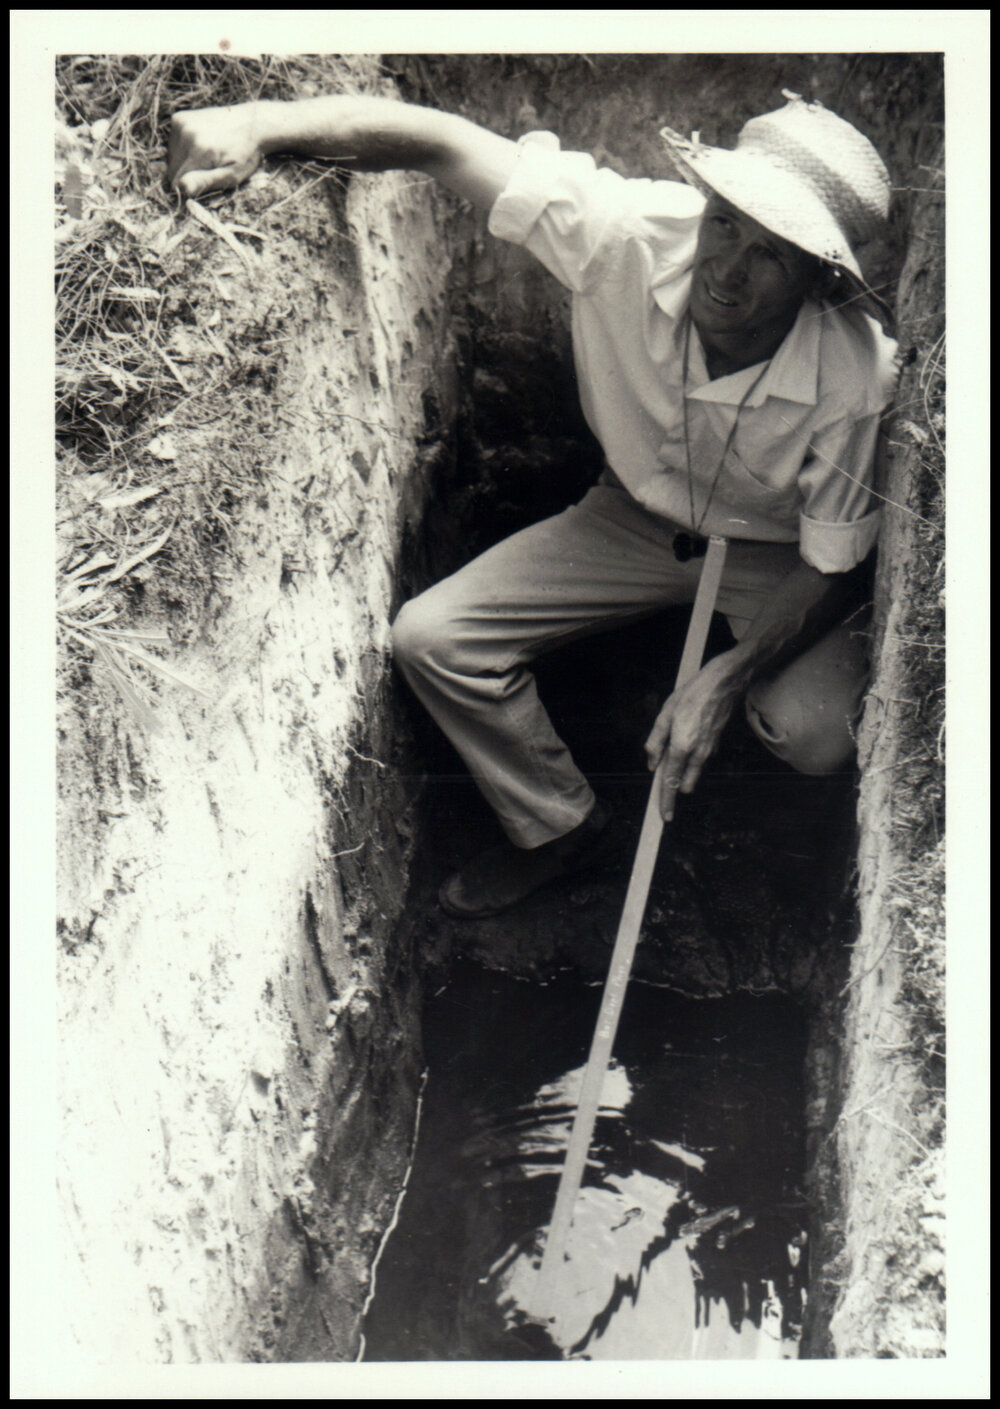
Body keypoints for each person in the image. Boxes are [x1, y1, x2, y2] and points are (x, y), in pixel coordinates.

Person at [168, 85, 899, 919]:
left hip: (772, 556)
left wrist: (723, 681)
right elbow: (439, 142)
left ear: (815, 279)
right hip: (630, 517)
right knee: (432, 638)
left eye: (772, 254)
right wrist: (261, 123)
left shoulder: (857, 378)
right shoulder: (622, 232)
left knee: (816, 730)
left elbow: (832, 562)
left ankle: (794, 890)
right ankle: (558, 826)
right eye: (725, 223)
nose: (729, 270)